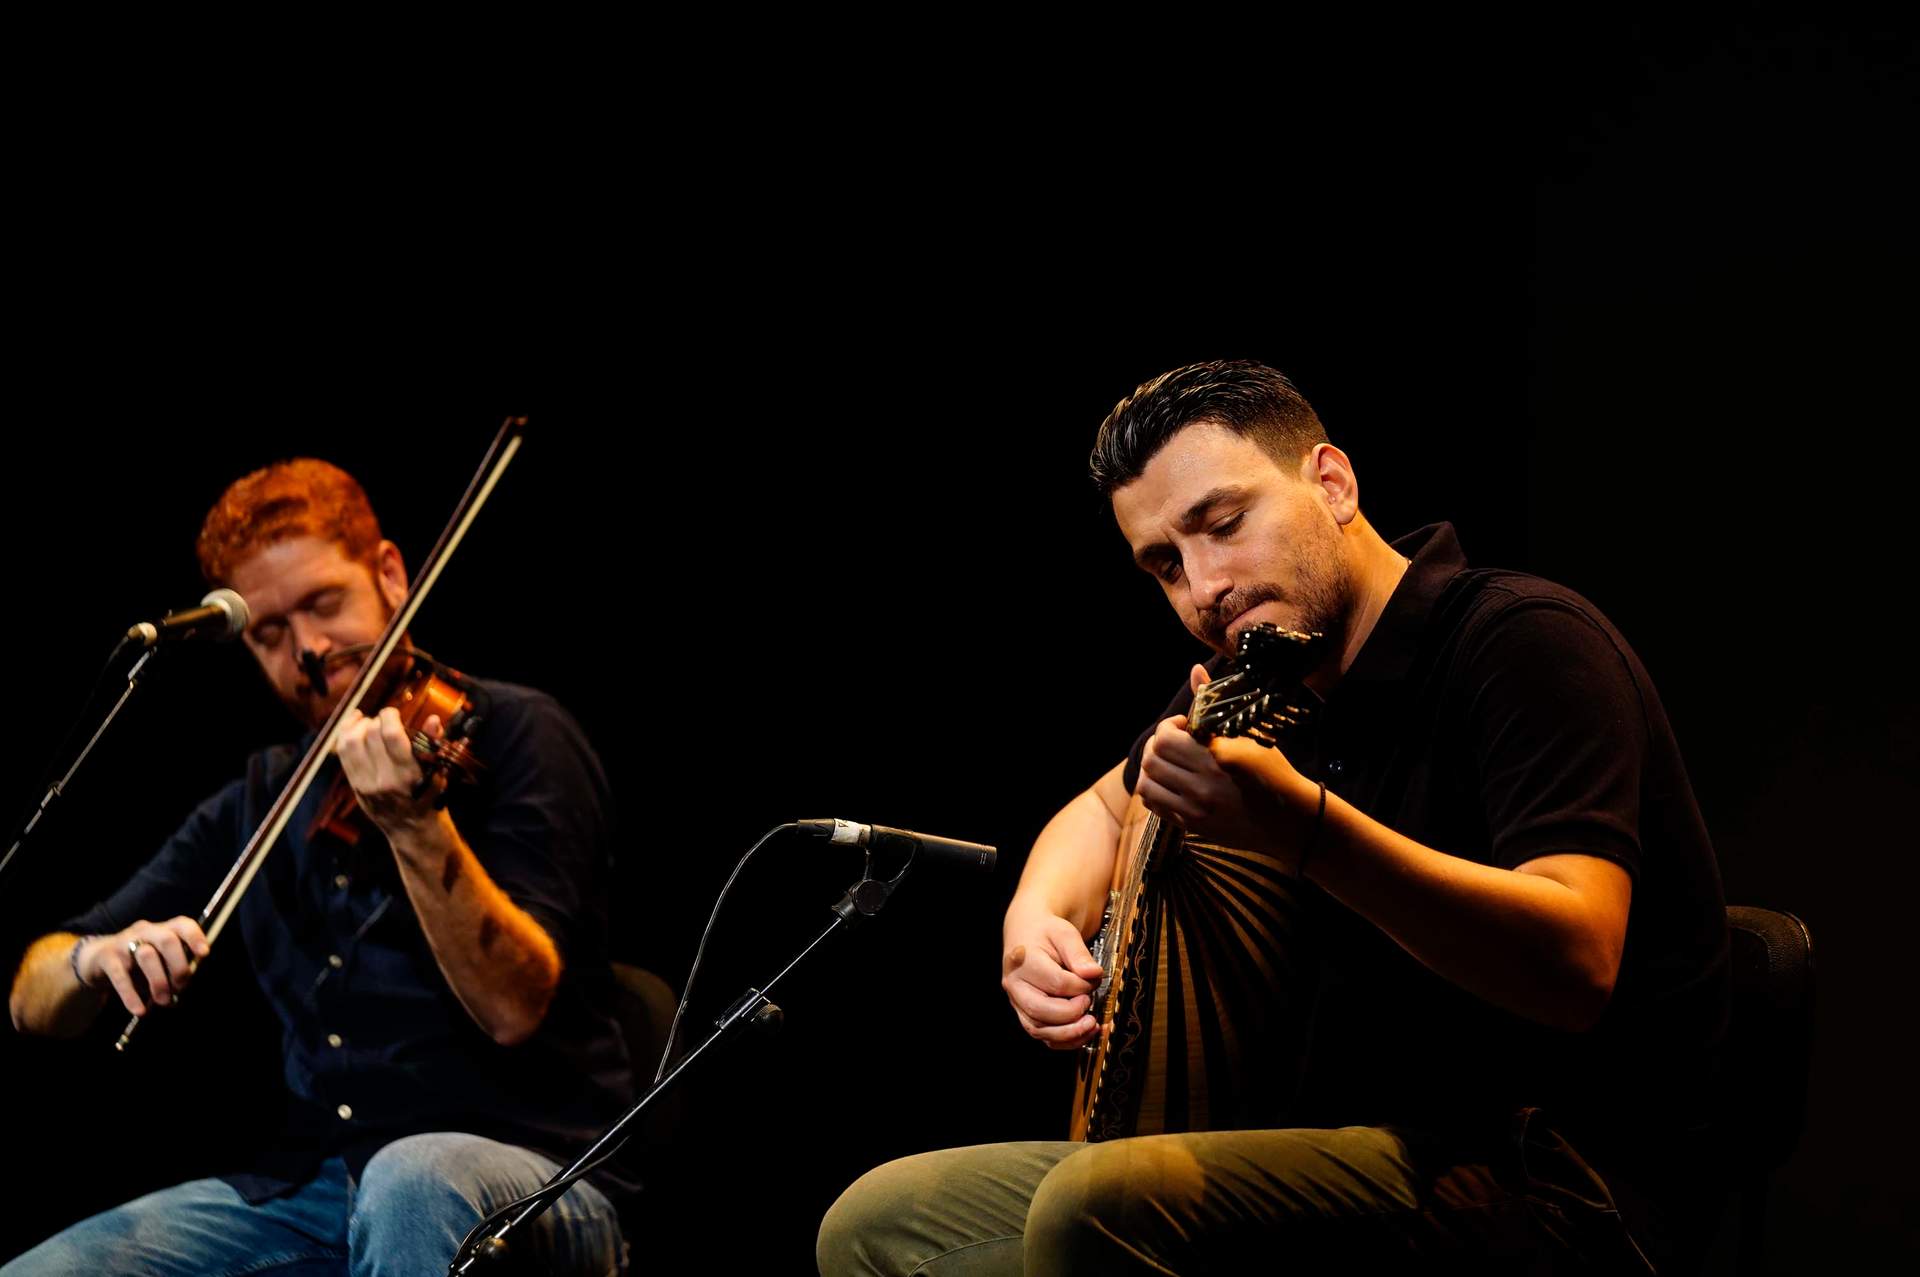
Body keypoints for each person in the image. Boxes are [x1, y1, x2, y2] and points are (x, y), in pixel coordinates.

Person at [818, 361, 1731, 1274]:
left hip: (1554, 1176)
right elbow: (1106, 802)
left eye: (1223, 525)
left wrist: (1303, 832)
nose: (1204, 588)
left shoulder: (1524, 641)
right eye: (1165, 564)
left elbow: (1576, 962)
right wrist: (1036, 916)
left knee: (1093, 1204)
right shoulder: (1265, 676)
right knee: (879, 1220)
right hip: (1355, 1145)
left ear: (1331, 482)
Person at [5, 459, 634, 1276]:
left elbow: (515, 1007)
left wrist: (417, 826)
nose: (308, 647)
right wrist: (97, 957)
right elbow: (32, 993)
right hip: (317, 1188)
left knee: (413, 1180)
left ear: (390, 574)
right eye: (269, 632)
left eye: (324, 604)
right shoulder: (264, 794)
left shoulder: (515, 735)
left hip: (539, 1175)